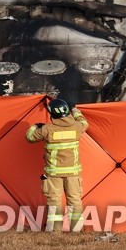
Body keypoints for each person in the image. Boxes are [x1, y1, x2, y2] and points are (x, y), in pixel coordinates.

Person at [25, 98, 89, 232]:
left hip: (53, 174)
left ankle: (55, 231)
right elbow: (84, 121)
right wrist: (75, 109)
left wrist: (35, 126)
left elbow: (30, 137)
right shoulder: (77, 126)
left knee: (54, 202)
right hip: (73, 174)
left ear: (51, 114)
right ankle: (77, 230)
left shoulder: (47, 129)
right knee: (75, 201)